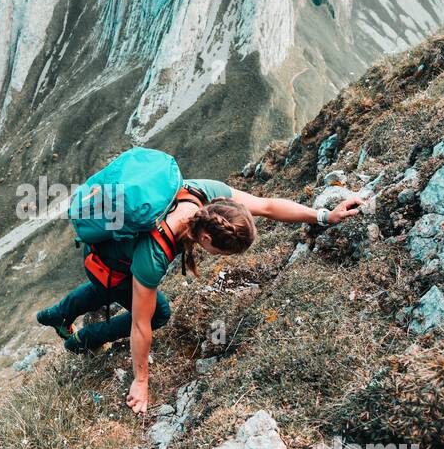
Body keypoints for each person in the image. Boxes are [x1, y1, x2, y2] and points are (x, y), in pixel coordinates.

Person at [37, 175, 363, 416]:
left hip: (117, 256)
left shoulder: (205, 194)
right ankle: (82, 340)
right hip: (106, 260)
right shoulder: (154, 255)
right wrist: (141, 381)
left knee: (107, 291)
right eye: (220, 253)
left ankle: (56, 314)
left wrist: (325, 216)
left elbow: (265, 206)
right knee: (156, 313)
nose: (217, 258)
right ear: (206, 238)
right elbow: (140, 326)